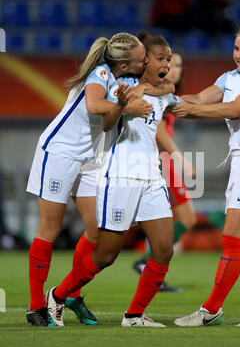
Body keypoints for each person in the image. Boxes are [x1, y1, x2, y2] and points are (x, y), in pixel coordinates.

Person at [45, 32, 180, 328]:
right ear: (142, 62)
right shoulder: (124, 87)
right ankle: (58, 295)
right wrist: (124, 103)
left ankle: (133, 316)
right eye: (160, 58)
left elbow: (185, 104)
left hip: (151, 179)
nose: (166, 64)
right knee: (106, 254)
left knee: (163, 249)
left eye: (168, 59)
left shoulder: (163, 91)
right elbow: (107, 123)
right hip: (120, 176)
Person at [26, 32, 153, 327]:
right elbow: (94, 106)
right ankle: (36, 308)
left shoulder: (126, 81)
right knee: (50, 227)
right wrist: (128, 107)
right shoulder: (101, 73)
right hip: (59, 154)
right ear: (124, 64)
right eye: (141, 57)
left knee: (97, 233)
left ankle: (69, 295)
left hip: (89, 160)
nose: (145, 60)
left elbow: (114, 116)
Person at [172, 20, 240, 327]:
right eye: (236, 48)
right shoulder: (229, 78)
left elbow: (235, 109)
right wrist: (167, 101)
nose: (238, 54)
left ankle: (210, 311)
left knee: (232, 239)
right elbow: (200, 98)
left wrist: (191, 111)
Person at [133, 52, 197, 292]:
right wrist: (180, 159)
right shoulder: (158, 94)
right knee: (185, 219)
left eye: (179, 64)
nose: (176, 68)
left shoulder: (169, 96)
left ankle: (148, 263)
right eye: (171, 64)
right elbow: (159, 132)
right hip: (162, 162)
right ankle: (147, 263)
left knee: (183, 220)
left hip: (164, 162)